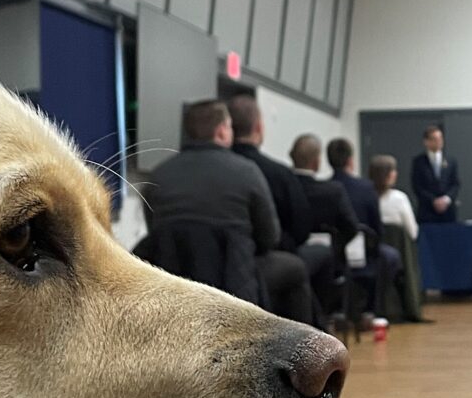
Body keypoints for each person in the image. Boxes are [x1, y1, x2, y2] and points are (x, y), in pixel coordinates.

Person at [147, 100, 312, 323]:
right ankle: (300, 350)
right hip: (237, 282)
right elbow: (269, 237)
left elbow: (156, 235)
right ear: (223, 130)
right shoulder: (246, 172)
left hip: (175, 287)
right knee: (296, 269)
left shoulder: (158, 177)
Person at [328, 137, 401, 325]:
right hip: (365, 255)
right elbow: (377, 228)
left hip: (333, 256)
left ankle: (339, 308)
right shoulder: (366, 188)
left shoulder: (325, 188)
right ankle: (371, 309)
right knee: (390, 256)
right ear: (351, 161)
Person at [229, 94, 312, 256]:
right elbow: (301, 229)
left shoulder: (211, 172)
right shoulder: (281, 174)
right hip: (271, 258)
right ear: (258, 127)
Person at [290, 132, 362, 318]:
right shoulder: (332, 191)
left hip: (290, 255)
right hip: (330, 264)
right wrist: (337, 246)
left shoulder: (284, 186)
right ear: (316, 162)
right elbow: (351, 226)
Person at [370, 154, 426, 323]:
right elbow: (413, 231)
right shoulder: (400, 199)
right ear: (388, 174)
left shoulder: (367, 196)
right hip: (400, 256)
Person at [411, 126, 461, 223]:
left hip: (448, 212)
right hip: (427, 211)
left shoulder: (451, 161)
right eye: (434, 139)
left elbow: (456, 184)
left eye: (440, 138)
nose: (438, 142)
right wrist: (433, 201)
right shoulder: (418, 162)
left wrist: (446, 199)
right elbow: (417, 186)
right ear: (426, 142)